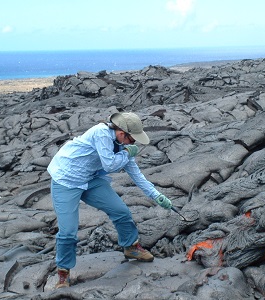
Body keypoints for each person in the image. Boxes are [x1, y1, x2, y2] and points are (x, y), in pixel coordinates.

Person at [47, 112, 173, 288]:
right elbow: (109, 164)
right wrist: (127, 153)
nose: (134, 144)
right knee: (68, 231)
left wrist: (157, 195)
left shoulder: (124, 147)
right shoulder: (101, 133)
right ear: (122, 133)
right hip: (66, 179)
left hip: (90, 179)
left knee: (121, 211)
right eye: (133, 139)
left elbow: (137, 176)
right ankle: (63, 273)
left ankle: (131, 248)